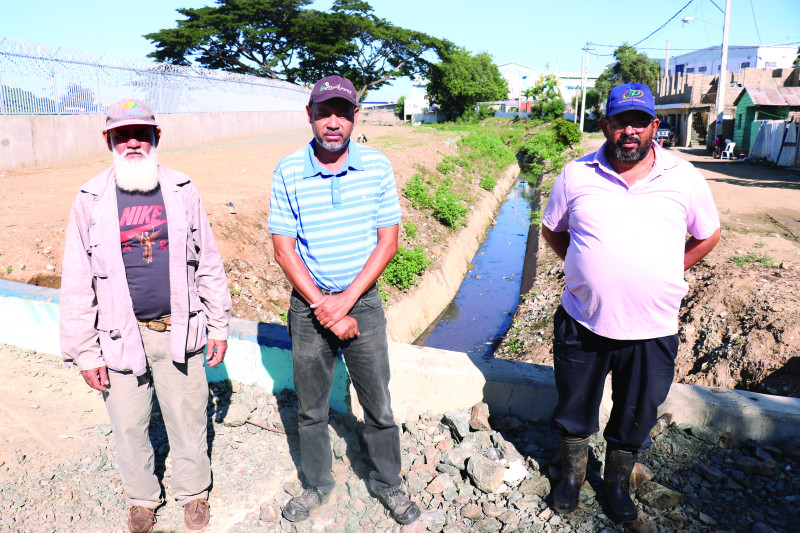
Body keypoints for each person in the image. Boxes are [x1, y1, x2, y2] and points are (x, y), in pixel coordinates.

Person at [541, 83, 721, 523]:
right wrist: (584, 268)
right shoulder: (575, 174)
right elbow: (552, 230)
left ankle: (617, 483)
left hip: (653, 326)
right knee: (573, 406)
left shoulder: (684, 177)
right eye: (620, 122)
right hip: (584, 320)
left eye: (639, 122)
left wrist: (671, 270)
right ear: (605, 125)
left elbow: (709, 234)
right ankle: (572, 476)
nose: (629, 131)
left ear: (654, 127)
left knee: (636, 412)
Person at [60, 99, 232, 533]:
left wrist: (219, 323)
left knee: (188, 416)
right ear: (109, 141)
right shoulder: (90, 200)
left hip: (180, 329)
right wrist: (85, 352)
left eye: (142, 133)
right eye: (123, 135)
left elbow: (207, 260)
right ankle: (141, 499)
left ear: (157, 137)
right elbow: (78, 280)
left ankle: (193, 492)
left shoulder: (182, 190)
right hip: (119, 336)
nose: (133, 142)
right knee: (129, 424)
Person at [268, 75, 420, 525]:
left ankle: (387, 483)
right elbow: (283, 249)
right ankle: (317, 484)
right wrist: (323, 307)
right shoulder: (288, 170)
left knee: (378, 403)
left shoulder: (376, 166)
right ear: (309, 116)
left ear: (356, 116)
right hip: (309, 305)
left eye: (342, 113)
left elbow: (388, 242)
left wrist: (347, 301)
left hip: (363, 304)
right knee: (311, 407)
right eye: (323, 113)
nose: (333, 123)